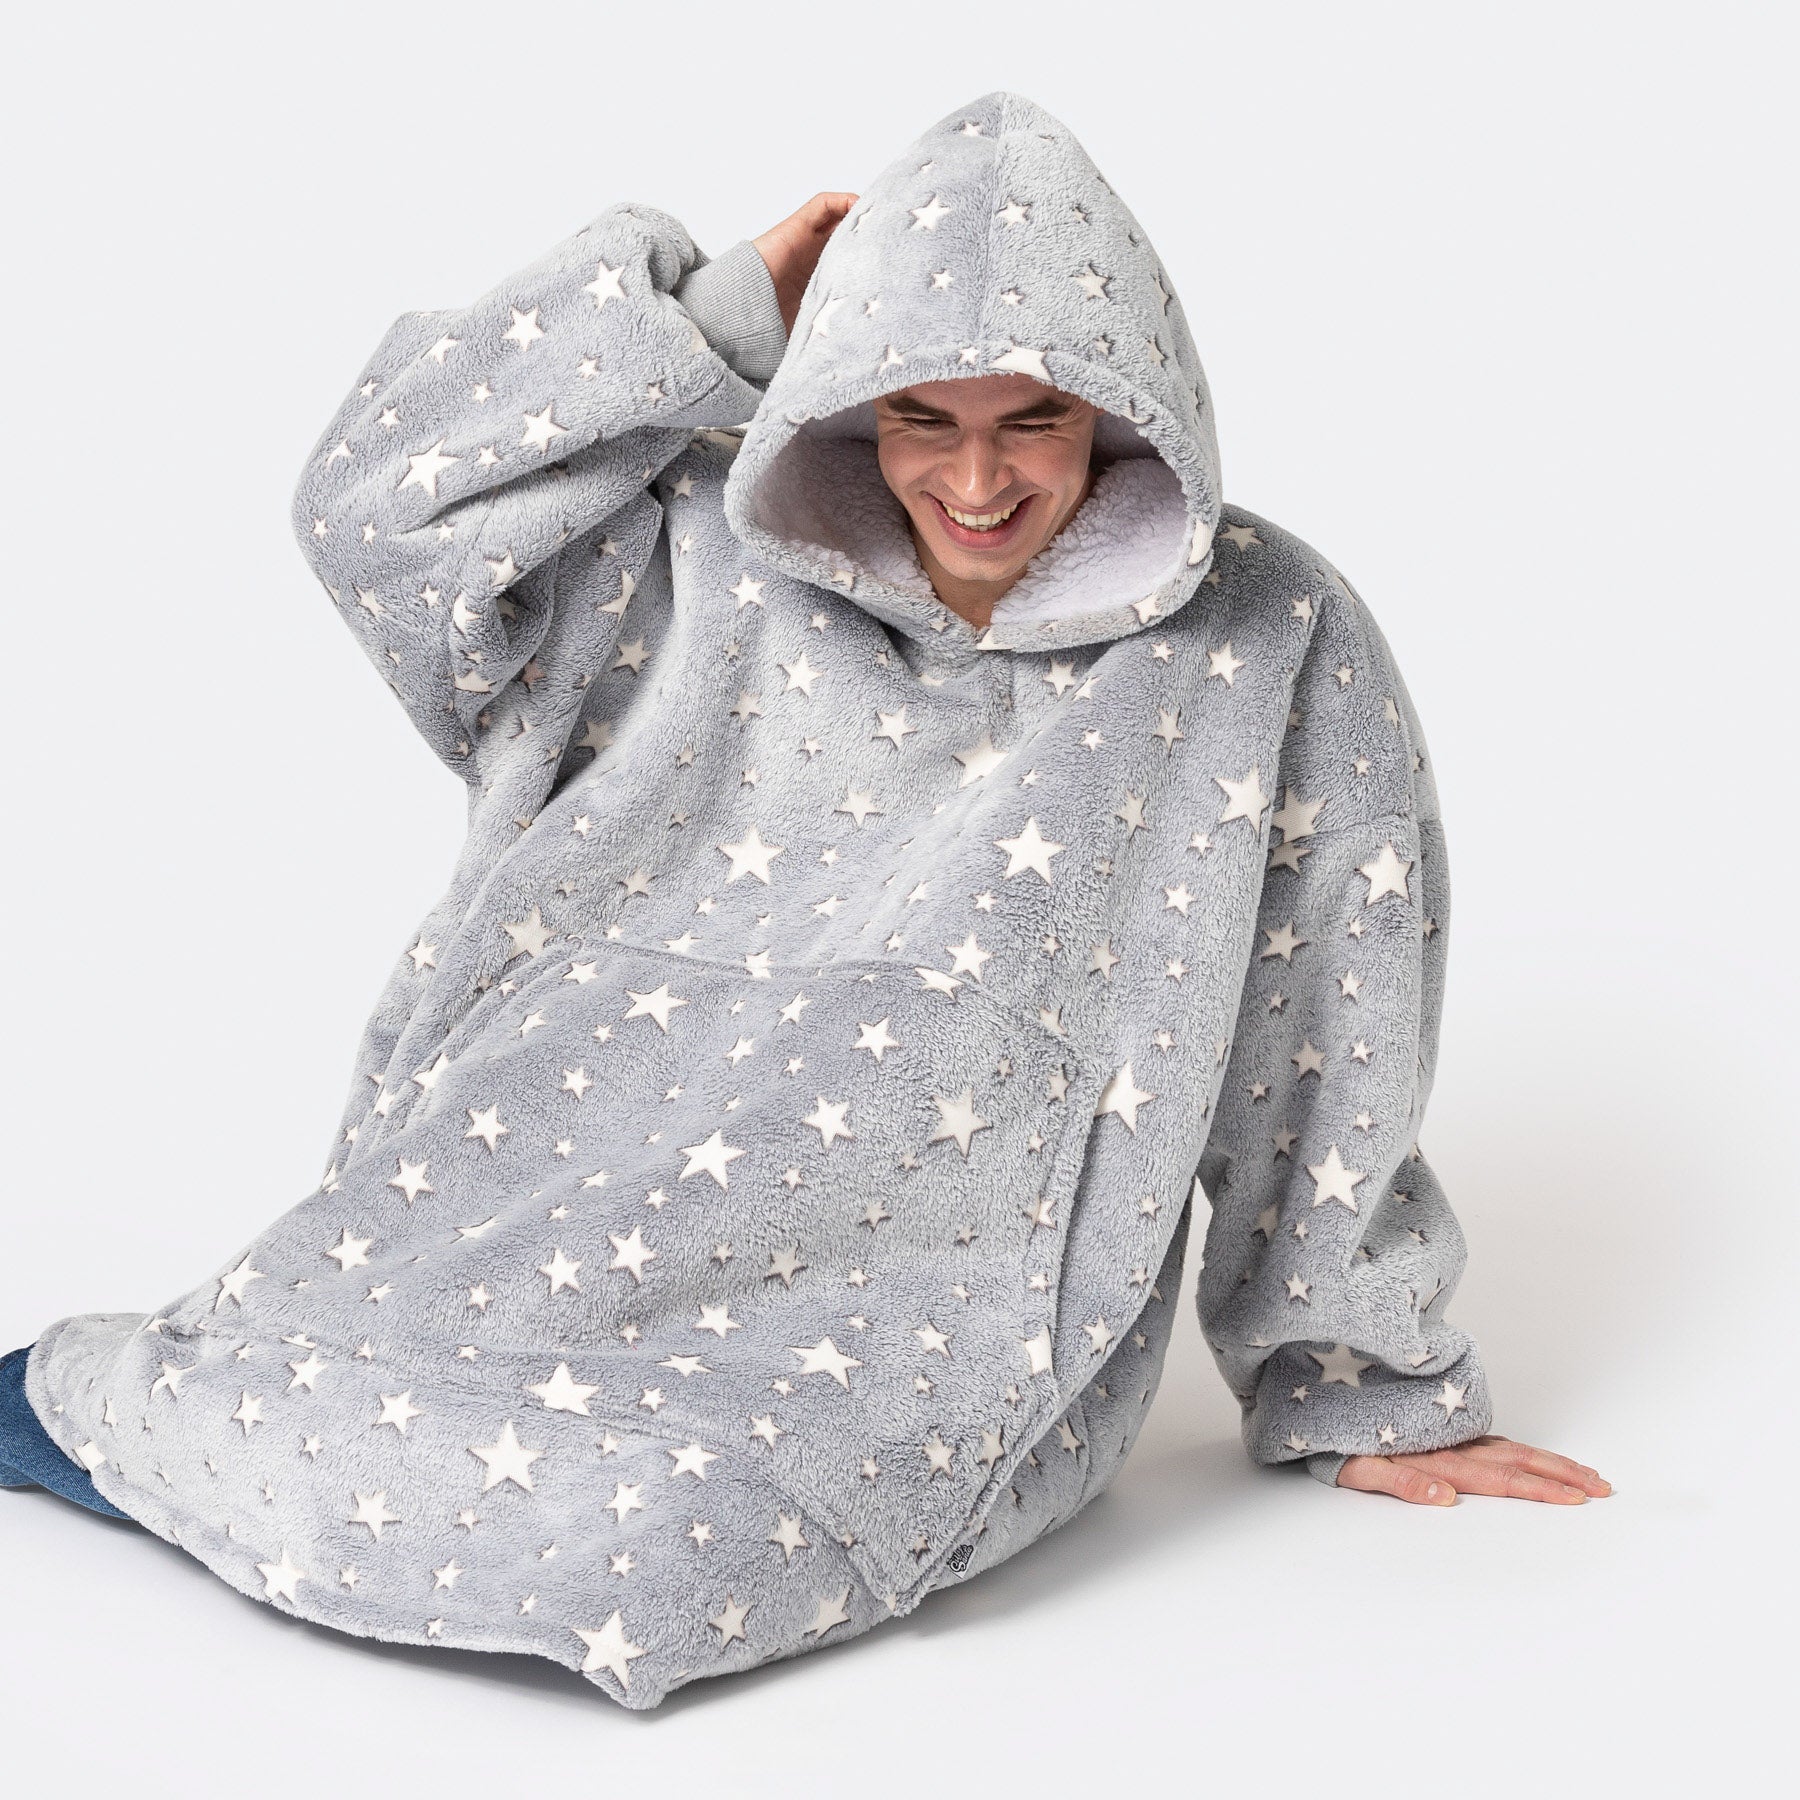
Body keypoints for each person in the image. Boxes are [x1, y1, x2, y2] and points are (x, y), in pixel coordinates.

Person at [4, 89, 1605, 1708]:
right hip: (518, 1189)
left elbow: (1331, 1000)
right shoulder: (680, 543)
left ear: (1127, 411)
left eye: (1035, 419)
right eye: (919, 414)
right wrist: (707, 321)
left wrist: (1346, 1375)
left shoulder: (1266, 631)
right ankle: (133, 1413)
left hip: (908, 1313)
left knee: (661, 1563)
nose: (975, 478)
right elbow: (372, 508)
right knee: (253, 1391)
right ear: (847, 399)